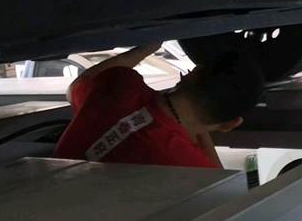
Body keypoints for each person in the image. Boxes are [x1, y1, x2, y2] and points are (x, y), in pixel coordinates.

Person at [52, 43, 264, 168]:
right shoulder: (190, 167)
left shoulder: (122, 84)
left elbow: (76, 88)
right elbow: (217, 181)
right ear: (230, 125)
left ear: (193, 73)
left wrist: (148, 48)